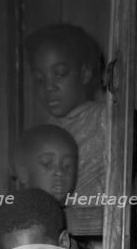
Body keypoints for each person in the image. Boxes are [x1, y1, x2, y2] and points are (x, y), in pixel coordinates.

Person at [26, 24, 106, 199]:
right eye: (40, 79)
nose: (49, 86)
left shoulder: (107, 121)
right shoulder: (45, 134)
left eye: (60, 74)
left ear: (84, 73)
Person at [13, 124, 78, 206]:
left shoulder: (80, 215)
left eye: (67, 165)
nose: (60, 172)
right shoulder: (16, 215)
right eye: (47, 164)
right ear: (23, 174)